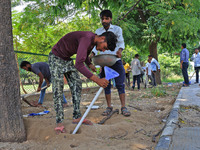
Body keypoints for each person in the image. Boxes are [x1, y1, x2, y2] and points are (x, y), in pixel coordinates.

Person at [48, 31, 117, 134]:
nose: (103, 50)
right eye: (104, 47)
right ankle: (59, 122)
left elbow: (84, 55)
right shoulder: (87, 38)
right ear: (102, 38)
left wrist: (90, 65)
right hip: (56, 58)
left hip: (66, 59)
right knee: (58, 89)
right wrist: (97, 79)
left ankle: (77, 116)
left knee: (77, 84)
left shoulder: (92, 41)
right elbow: (79, 64)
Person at [90, 10, 131, 117]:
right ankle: (109, 106)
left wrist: (120, 51)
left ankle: (123, 107)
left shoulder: (117, 29)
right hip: (103, 62)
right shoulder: (98, 31)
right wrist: (92, 54)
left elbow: (121, 42)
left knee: (120, 84)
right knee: (105, 85)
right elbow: (95, 46)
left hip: (115, 60)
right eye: (102, 19)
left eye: (106, 18)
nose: (104, 21)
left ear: (110, 19)